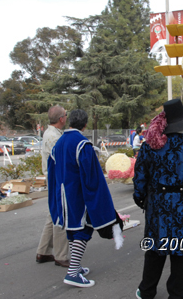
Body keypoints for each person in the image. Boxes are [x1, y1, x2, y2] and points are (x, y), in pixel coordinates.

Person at [133, 99, 183, 299]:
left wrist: (143, 201)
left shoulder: (149, 148)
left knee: (155, 250)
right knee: (182, 252)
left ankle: (146, 291)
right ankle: (178, 294)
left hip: (158, 208)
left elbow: (139, 181)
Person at [48, 109, 123, 288]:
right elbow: (92, 178)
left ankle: (76, 267)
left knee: (72, 229)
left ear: (69, 122)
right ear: (85, 124)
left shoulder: (59, 143)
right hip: (78, 196)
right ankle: (73, 272)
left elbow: (52, 174)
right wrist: (98, 201)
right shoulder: (82, 144)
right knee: (84, 229)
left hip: (62, 195)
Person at [36, 105, 70, 267]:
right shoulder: (54, 137)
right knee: (60, 215)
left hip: (54, 179)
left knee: (52, 215)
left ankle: (43, 251)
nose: (66, 117)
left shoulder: (50, 133)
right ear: (61, 118)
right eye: (65, 115)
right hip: (58, 180)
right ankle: (61, 255)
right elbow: (62, 160)